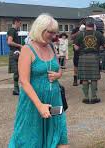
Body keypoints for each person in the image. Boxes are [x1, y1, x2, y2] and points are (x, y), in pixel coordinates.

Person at [9, 14, 69, 147]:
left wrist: (58, 75)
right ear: (39, 29)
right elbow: (24, 81)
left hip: (54, 99)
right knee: (30, 139)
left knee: (60, 136)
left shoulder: (52, 47)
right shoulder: (27, 49)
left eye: (55, 32)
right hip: (33, 102)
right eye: (50, 32)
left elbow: (59, 69)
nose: (53, 36)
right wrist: (40, 105)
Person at [74, 17, 105, 104]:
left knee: (84, 78)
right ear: (94, 25)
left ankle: (85, 97)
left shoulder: (80, 34)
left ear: (85, 25)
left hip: (83, 57)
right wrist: (99, 46)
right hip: (94, 58)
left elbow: (76, 48)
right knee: (93, 78)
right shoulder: (98, 34)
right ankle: (93, 97)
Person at [7, 17, 22, 95]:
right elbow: (9, 42)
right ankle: (16, 89)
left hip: (16, 52)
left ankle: (17, 89)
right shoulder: (12, 30)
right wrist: (19, 45)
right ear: (16, 22)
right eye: (20, 23)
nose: (20, 24)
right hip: (14, 52)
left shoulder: (15, 31)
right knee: (16, 71)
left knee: (18, 71)